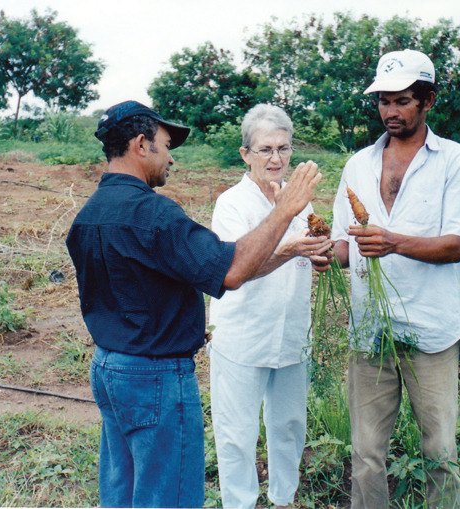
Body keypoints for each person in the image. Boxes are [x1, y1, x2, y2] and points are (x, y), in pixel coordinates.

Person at [66, 100, 322, 509]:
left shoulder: (90, 214)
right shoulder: (153, 214)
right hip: (156, 375)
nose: (171, 157)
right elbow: (232, 270)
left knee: (125, 485)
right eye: (166, 145)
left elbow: (130, 288)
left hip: (111, 366)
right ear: (140, 145)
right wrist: (288, 207)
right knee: (169, 493)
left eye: (283, 149)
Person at [330, 50, 460, 509]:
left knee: (440, 452)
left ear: (428, 101)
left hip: (430, 330)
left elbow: (456, 245)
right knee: (365, 455)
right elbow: (345, 246)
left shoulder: (455, 162)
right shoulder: (358, 164)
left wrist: (394, 242)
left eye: (401, 101)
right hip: (370, 330)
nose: (390, 112)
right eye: (383, 101)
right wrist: (323, 252)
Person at [207, 104, 333, 509]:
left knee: (290, 425)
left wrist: (318, 254)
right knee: (237, 433)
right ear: (246, 154)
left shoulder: (302, 203)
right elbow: (236, 270)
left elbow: (306, 251)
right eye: (265, 150)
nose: (276, 159)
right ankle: (240, 504)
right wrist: (291, 247)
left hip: (292, 332)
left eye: (283, 148)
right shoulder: (232, 204)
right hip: (243, 336)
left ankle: (284, 499)